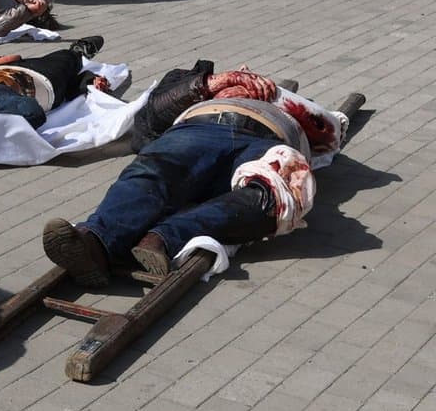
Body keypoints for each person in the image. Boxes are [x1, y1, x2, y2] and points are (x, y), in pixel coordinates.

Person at [41, 62, 346, 286]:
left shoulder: (288, 107)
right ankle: (95, 240)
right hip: (201, 127)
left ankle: (165, 237)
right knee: (152, 171)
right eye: (243, 72)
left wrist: (291, 105)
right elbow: (151, 116)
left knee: (278, 195)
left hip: (268, 138)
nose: (252, 78)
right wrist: (215, 83)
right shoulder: (202, 85)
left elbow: (327, 135)